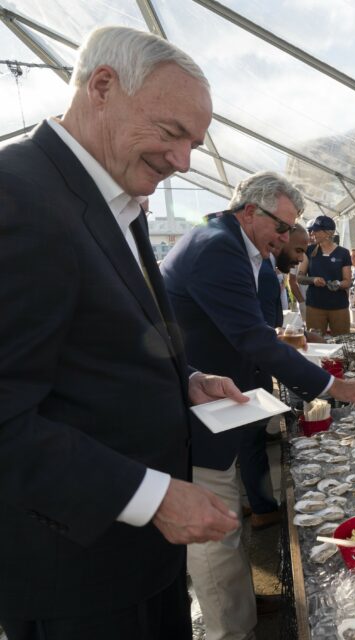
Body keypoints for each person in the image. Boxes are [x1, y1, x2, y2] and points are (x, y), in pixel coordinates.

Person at [0, 26, 244, 640]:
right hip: (76, 576)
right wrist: (154, 496)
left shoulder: (109, 194)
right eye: (171, 133)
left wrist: (183, 380)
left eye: (194, 142)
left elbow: (85, 344)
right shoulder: (17, 196)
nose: (183, 160)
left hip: (141, 559)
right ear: (102, 87)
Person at [160, 171, 355, 640]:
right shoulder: (218, 246)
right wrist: (330, 388)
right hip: (198, 411)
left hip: (221, 403)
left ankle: (239, 601)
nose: (285, 238)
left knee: (227, 513)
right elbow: (250, 338)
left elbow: (247, 332)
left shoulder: (227, 241)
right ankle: (230, 628)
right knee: (214, 529)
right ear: (248, 212)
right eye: (281, 228)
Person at [241, 224, 310, 532]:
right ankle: (262, 508)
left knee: (250, 440)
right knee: (251, 440)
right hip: (245, 371)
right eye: (297, 250)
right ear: (280, 242)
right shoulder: (267, 275)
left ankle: (254, 500)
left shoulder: (262, 267)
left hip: (241, 367)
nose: (300, 258)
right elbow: (266, 337)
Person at [297, 215, 352, 336]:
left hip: (339, 307)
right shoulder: (309, 250)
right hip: (315, 306)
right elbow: (299, 277)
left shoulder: (343, 253)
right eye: (312, 230)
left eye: (316, 230)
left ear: (328, 233)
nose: (312, 233)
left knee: (342, 343)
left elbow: (348, 281)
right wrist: (313, 280)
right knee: (315, 343)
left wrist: (337, 284)